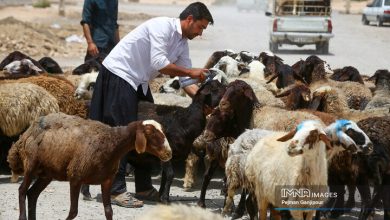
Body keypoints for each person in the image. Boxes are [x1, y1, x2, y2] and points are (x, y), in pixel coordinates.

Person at [83, 2, 214, 208]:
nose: (200, 33)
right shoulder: (161, 27)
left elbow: (187, 83)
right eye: (201, 27)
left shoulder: (181, 44)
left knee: (150, 129)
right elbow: (159, 63)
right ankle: (116, 190)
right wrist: (191, 72)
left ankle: (143, 187)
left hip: (139, 81)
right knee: (123, 132)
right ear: (190, 20)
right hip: (120, 73)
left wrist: (203, 103)